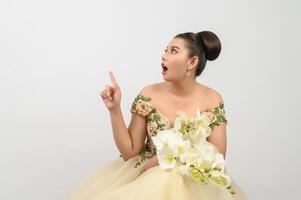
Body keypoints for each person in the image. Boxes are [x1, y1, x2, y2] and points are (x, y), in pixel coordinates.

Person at [65, 31, 248, 200]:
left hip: (193, 182)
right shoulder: (149, 94)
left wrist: (164, 160)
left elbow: (217, 157)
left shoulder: (212, 99)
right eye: (165, 50)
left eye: (173, 51)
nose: (164, 55)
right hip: (143, 177)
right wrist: (114, 109)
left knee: (168, 175)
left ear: (192, 62)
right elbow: (130, 151)